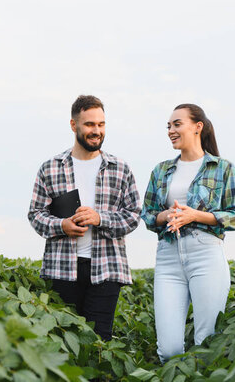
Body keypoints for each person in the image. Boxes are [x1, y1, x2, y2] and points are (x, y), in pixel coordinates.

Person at [28, 94, 141, 341]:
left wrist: (100, 218)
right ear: (74, 125)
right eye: (89, 124)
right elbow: (35, 215)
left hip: (107, 269)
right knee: (64, 342)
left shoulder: (120, 168)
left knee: (98, 343)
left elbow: (133, 216)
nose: (96, 131)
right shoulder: (51, 167)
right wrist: (62, 225)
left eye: (101, 124)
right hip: (62, 268)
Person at [141, 104, 235, 361]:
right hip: (168, 255)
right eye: (168, 126)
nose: (171, 130)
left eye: (177, 124)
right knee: (169, 349)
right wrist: (165, 215)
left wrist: (194, 215)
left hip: (205, 254)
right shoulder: (161, 170)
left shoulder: (223, 168)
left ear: (197, 127)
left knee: (207, 343)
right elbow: (147, 214)